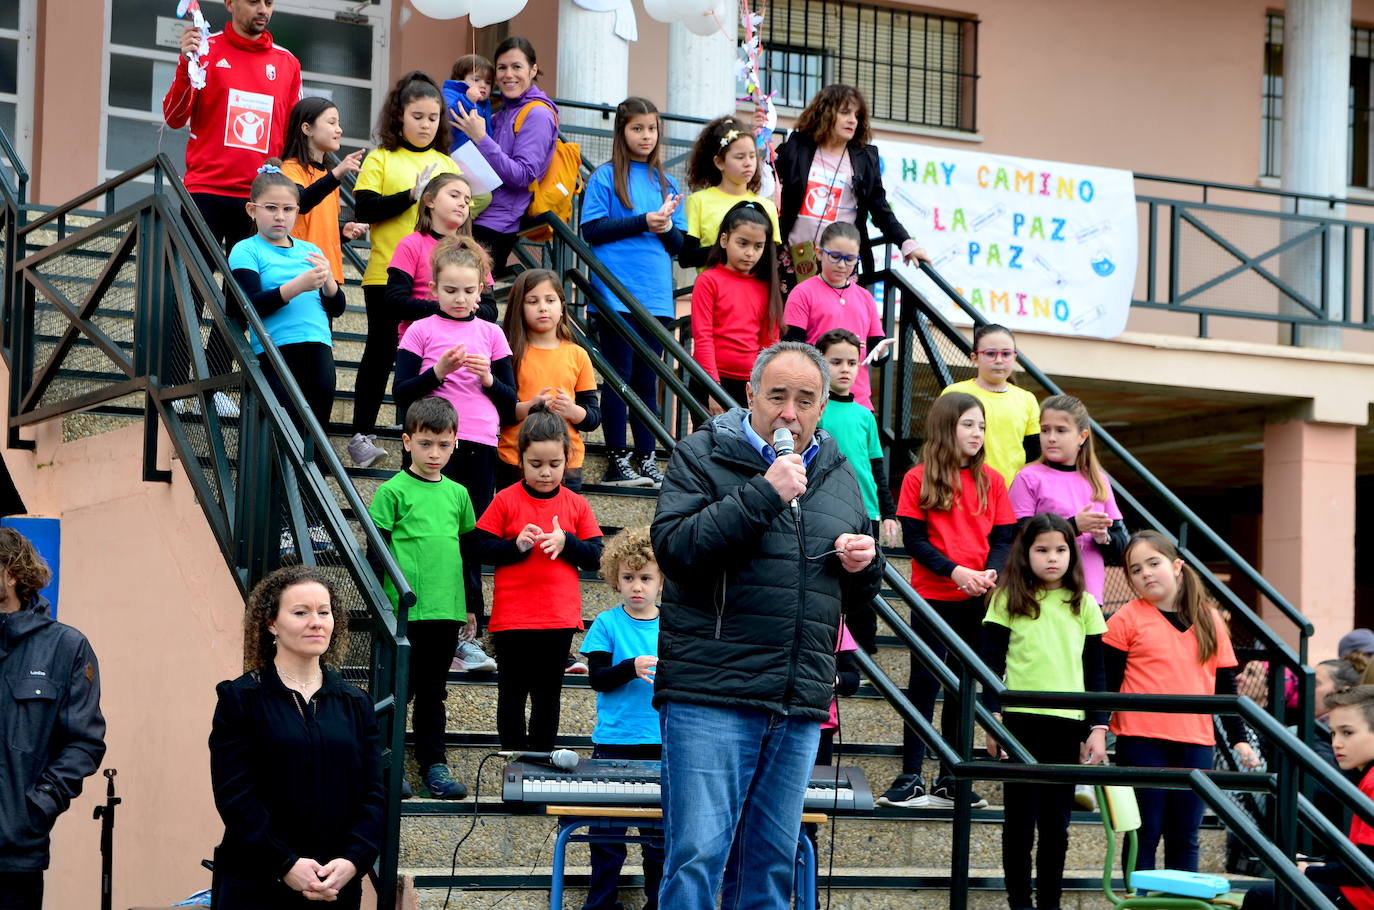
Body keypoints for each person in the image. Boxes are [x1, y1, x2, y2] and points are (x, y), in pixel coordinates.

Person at [651, 341, 882, 909]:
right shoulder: (701, 454)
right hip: (712, 693)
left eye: (806, 400)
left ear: (823, 406)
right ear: (750, 394)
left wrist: (864, 565)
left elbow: (854, 607)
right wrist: (764, 492)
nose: (790, 413)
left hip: (797, 700)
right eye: (777, 396)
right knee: (698, 858)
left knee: (771, 865)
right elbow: (675, 549)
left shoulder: (840, 476)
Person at [209, 565, 384, 909]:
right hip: (258, 883)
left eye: (324, 612)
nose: (316, 622)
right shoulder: (240, 699)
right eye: (301, 612)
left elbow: (374, 794)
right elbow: (235, 795)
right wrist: (285, 863)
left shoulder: (355, 702)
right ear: (271, 623)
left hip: (336, 885)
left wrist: (353, 860)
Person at [879, 392, 1016, 810]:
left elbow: (1004, 536)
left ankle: (952, 776)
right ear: (945, 428)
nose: (976, 433)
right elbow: (915, 540)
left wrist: (989, 572)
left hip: (978, 598)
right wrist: (956, 571)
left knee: (964, 689)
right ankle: (911, 774)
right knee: (924, 683)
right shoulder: (917, 478)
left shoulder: (992, 479)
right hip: (933, 597)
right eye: (968, 425)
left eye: (981, 426)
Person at [1104, 530, 1260, 872]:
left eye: (1153, 563)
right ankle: (1141, 905)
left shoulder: (1210, 618)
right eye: (1135, 569)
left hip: (1195, 741)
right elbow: (1108, 682)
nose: (1145, 573)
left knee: (1184, 835)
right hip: (1141, 740)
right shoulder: (1126, 618)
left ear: (1176, 566)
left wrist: (1239, 739)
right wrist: (1097, 728)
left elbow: (1225, 686)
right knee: (1144, 834)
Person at [393, 236, 512, 672]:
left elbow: (510, 399)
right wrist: (438, 372)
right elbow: (401, 394)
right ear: (434, 290)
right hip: (432, 443)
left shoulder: (492, 333)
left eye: (468, 290)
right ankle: (421, 617)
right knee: (432, 534)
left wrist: (487, 381)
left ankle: (467, 634)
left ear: (481, 289)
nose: (460, 299)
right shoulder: (421, 330)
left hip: (479, 442)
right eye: (450, 290)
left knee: (471, 536)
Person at [982, 513, 1108, 910]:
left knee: (1057, 824)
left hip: (1068, 723)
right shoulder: (1006, 598)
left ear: (1072, 553)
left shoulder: (1085, 604)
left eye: (1060, 549)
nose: (1052, 557)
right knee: (1018, 822)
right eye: (1042, 549)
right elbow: (988, 663)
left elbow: (1097, 671)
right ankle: (1019, 902)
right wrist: (992, 719)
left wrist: (1098, 727)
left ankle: (1050, 903)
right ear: (1025, 552)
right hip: (1019, 722)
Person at [474, 405, 604, 750]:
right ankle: (515, 763)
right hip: (513, 618)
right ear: (520, 460)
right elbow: (479, 546)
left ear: (567, 459)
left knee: (548, 695)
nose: (545, 473)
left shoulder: (576, 504)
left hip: (556, 618)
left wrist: (567, 543)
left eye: (554, 464)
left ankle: (541, 766)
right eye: (535, 464)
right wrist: (515, 545)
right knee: (512, 693)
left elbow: (596, 556)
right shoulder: (505, 499)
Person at [350, 71, 462, 468]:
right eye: (417, 116)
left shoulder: (447, 162)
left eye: (433, 117)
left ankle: (413, 441)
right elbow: (363, 207)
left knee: (421, 365)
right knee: (380, 352)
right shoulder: (381, 158)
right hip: (387, 275)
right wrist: (412, 195)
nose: (426, 124)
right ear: (399, 117)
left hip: (437, 283)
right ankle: (361, 434)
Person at [366, 397, 477, 799]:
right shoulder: (392, 491)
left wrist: (469, 606)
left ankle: (435, 764)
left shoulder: (459, 494)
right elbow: (374, 551)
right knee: (400, 688)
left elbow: (465, 554)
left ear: (455, 444)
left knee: (434, 692)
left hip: (445, 611)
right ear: (407, 441)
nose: (435, 453)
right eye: (426, 443)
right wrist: (379, 603)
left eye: (443, 445)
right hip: (403, 611)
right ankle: (387, 762)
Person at [581, 97, 685, 489]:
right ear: (622, 131)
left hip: (656, 298)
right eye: (637, 128)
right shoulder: (605, 177)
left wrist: (663, 226)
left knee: (647, 379)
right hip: (614, 295)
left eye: (652, 129)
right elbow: (591, 230)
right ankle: (616, 457)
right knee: (618, 376)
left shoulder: (667, 183)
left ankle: (646, 456)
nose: (645, 136)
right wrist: (644, 220)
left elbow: (678, 245)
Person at [0, 529, 104, 910]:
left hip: (14, 858)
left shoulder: (66, 647)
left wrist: (36, 808)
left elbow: (84, 742)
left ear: (11, 573)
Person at [163, 0, 303, 256]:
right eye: (253, 2)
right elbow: (173, 118)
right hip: (205, 191)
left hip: (262, 197)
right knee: (190, 287)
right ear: (229, 3)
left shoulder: (288, 63)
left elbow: (296, 137)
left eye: (269, 3)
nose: (263, 10)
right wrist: (186, 63)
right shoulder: (204, 50)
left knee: (246, 293)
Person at [228, 162, 346, 442]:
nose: (280, 216)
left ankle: (308, 487)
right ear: (252, 210)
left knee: (315, 438)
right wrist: (296, 287)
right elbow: (249, 306)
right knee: (280, 435)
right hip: (276, 350)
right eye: (271, 208)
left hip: (318, 348)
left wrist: (329, 281)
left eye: (288, 209)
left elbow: (337, 307)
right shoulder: (246, 249)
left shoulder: (310, 250)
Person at [579, 527, 665, 910]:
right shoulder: (607, 623)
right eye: (628, 578)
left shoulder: (674, 624)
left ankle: (658, 902)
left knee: (658, 838)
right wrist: (630, 666)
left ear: (662, 581)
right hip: (614, 742)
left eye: (645, 578)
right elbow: (598, 678)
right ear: (615, 577)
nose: (637, 587)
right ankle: (601, 903)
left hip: (663, 742)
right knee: (606, 836)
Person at [774, 84, 925, 288]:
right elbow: (767, 184)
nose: (853, 120)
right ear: (825, 112)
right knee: (790, 320)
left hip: (841, 264)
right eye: (845, 112)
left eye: (857, 115)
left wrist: (906, 242)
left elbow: (880, 210)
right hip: (794, 257)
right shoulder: (797, 147)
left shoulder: (865, 158)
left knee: (835, 320)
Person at [1242, 685, 1374, 910]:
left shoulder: (1372, 781)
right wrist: (1319, 865)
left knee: (1260, 896)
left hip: (1361, 900)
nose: (1336, 742)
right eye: (1333, 732)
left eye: (1347, 732)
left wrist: (1310, 869)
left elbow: (1365, 868)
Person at [815, 328, 898, 653]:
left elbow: (877, 468)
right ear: (821, 363)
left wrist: (888, 512)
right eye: (836, 361)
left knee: (864, 586)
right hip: (827, 508)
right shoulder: (816, 411)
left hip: (867, 512)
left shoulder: (865, 416)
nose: (846, 369)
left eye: (852, 362)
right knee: (832, 584)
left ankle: (862, 655)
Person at [1009, 395, 1126, 605]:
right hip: (1040, 595)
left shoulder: (1099, 479)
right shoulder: (1027, 477)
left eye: (1061, 430)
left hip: (1089, 597)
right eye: (1045, 430)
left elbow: (1120, 547)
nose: (1051, 437)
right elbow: (1017, 536)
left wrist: (1103, 537)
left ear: (1082, 436)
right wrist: (1073, 526)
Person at [453, 36, 558, 272]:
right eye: (502, 67)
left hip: (495, 227)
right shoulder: (502, 112)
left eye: (516, 67)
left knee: (471, 302)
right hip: (472, 216)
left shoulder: (538, 115)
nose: (508, 74)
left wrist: (481, 137)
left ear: (533, 69)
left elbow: (523, 175)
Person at [498, 270, 600, 491]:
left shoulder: (578, 355)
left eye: (550, 300)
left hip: (565, 462)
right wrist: (529, 407)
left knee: (560, 526)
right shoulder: (508, 353)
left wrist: (573, 411)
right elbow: (499, 412)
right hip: (515, 459)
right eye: (533, 301)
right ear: (519, 308)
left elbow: (593, 417)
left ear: (562, 306)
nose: (543, 307)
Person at [782, 221, 888, 411]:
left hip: (858, 400)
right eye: (836, 257)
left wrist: (882, 351)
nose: (842, 265)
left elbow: (876, 349)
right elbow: (792, 348)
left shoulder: (865, 297)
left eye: (850, 259)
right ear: (819, 252)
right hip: (815, 399)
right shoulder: (803, 293)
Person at [690, 201, 783, 413]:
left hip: (752, 385)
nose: (750, 253)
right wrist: (713, 388)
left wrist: (762, 389)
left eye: (758, 246)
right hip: (711, 380)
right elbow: (703, 337)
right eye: (742, 243)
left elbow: (769, 344)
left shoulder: (767, 287)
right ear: (724, 239)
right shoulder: (708, 280)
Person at [387, 173, 498, 340]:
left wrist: (465, 308)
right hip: (421, 343)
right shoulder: (410, 245)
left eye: (467, 201)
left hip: (467, 343)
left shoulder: (476, 251)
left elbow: (491, 310)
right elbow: (394, 302)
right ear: (430, 200)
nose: (462, 203)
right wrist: (446, 306)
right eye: (454, 195)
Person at [278, 98, 368, 290]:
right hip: (300, 273)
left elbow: (318, 223)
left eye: (339, 123)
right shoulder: (289, 169)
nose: (339, 129)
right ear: (307, 129)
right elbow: (300, 203)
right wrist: (337, 174)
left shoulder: (329, 176)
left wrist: (341, 231)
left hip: (328, 274)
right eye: (332, 122)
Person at [940, 324, 1040, 487]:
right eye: (991, 354)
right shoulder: (954, 393)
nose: (999, 360)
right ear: (974, 358)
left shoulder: (1026, 399)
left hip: (1011, 496)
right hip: (962, 490)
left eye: (1006, 354)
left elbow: (1034, 455)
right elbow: (941, 444)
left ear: (1014, 357)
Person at [678, 116, 781, 270]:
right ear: (719, 162)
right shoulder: (698, 201)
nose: (748, 163)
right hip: (712, 289)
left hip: (753, 290)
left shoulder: (767, 206)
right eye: (740, 157)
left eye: (752, 156)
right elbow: (686, 257)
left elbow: (771, 259)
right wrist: (731, 249)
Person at [443, 54, 494, 152]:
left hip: (476, 156)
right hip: (453, 154)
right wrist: (467, 100)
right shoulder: (450, 93)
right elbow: (448, 118)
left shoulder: (484, 103)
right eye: (476, 79)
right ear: (460, 79)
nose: (483, 85)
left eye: (488, 82)